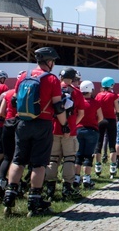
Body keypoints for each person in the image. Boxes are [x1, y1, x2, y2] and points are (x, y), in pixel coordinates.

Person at [3, 47, 68, 217]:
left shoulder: (25, 75)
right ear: (49, 61)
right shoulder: (52, 79)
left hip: (23, 122)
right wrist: (65, 125)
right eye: (53, 61)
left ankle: (9, 198)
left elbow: (15, 100)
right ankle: (34, 201)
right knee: (39, 163)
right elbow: (58, 106)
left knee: (18, 160)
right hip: (43, 123)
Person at [44, 67, 86, 202]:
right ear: (73, 78)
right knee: (69, 159)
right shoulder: (77, 92)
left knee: (52, 159)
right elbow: (81, 113)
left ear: (60, 77)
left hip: (54, 129)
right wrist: (72, 125)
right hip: (70, 131)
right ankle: (67, 188)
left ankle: (50, 188)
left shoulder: (54, 89)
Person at [0, 74, 21, 202]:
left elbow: (1, 113)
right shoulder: (26, 94)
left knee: (7, 157)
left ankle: (0, 183)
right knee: (17, 159)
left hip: (7, 125)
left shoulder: (8, 93)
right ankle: (14, 186)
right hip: (19, 126)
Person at [75, 80, 102, 190]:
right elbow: (101, 117)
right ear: (91, 90)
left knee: (78, 155)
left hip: (79, 130)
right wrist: (94, 122)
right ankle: (87, 180)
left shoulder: (78, 102)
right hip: (92, 130)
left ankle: (76, 179)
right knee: (88, 156)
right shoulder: (95, 103)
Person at [94, 77, 118, 178]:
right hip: (111, 120)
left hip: (100, 120)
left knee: (98, 143)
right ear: (111, 85)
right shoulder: (113, 95)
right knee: (112, 144)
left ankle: (98, 167)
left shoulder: (98, 95)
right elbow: (118, 109)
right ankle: (112, 168)